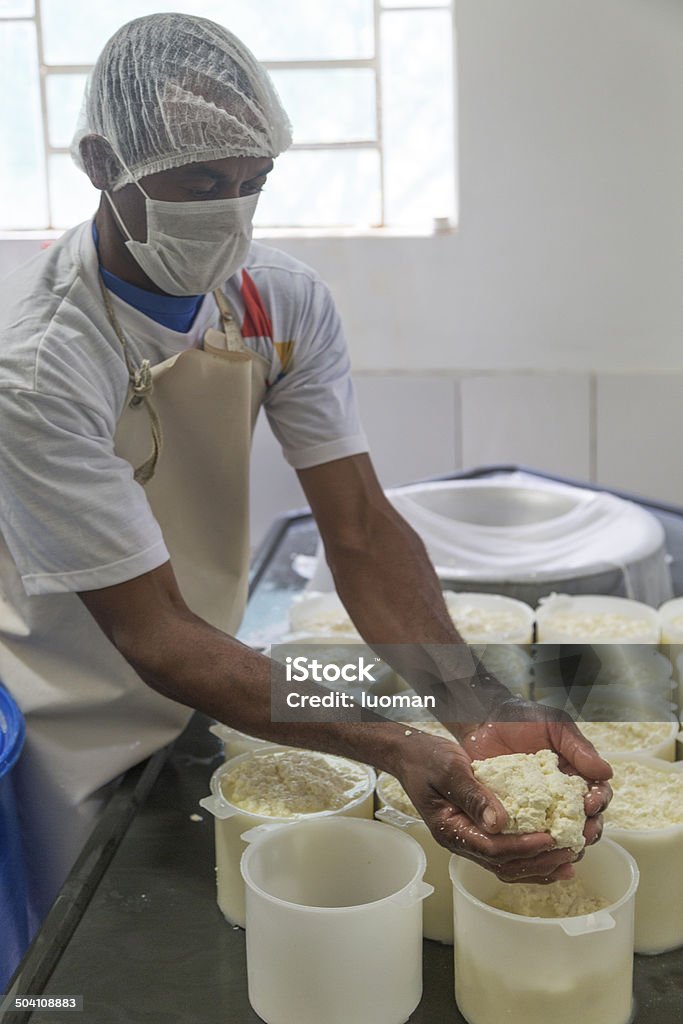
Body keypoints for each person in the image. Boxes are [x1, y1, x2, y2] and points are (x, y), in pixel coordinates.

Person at [0, 13, 610, 937]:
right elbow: (150, 632)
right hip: (75, 712)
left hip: (213, 676)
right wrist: (390, 743)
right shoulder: (44, 365)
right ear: (99, 162)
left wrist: (475, 709)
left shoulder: (274, 303)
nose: (230, 214)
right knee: (94, 939)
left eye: (253, 183)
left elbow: (359, 531)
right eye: (200, 184)